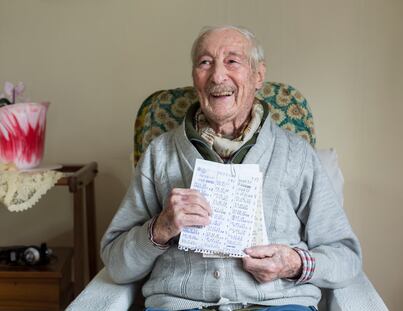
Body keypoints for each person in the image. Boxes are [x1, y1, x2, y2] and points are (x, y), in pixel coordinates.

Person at [101, 25, 362, 311]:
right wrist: (160, 228)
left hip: (280, 303)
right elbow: (116, 264)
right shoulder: (160, 154)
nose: (217, 76)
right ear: (194, 77)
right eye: (205, 62)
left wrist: (293, 264)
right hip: (180, 304)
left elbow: (346, 257)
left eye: (232, 61)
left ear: (258, 75)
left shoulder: (297, 155)